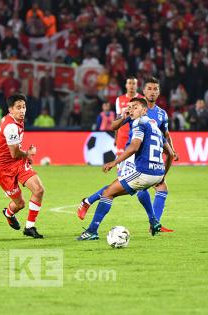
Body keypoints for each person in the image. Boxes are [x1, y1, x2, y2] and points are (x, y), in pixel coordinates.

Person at [76, 98, 173, 240]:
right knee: (133, 188)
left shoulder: (139, 123)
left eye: (135, 107)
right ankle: (153, 221)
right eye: (130, 107)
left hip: (143, 171)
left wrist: (114, 162)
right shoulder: (155, 127)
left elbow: (134, 147)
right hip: (156, 174)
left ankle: (92, 230)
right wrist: (163, 174)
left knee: (108, 193)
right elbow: (170, 154)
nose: (131, 110)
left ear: (144, 110)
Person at [105, 77, 178, 232]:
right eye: (149, 89)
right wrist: (123, 117)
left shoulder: (161, 114)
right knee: (117, 188)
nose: (152, 92)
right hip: (133, 154)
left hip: (149, 158)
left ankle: (155, 223)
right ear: (143, 91)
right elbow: (114, 125)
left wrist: (172, 149)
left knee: (161, 188)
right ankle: (89, 202)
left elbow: (165, 134)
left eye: (155, 89)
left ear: (159, 92)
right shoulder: (136, 106)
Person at [0, 93, 45, 238]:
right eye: (18, 108)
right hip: (2, 168)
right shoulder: (10, 127)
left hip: (17, 163)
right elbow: (14, 153)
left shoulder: (18, 120)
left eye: (24, 107)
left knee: (39, 190)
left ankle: (30, 227)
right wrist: (28, 154)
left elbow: (15, 153)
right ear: (10, 110)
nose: (22, 110)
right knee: (19, 204)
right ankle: (8, 213)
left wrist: (25, 157)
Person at [114, 76, 141, 160]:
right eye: (129, 83)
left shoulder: (142, 100)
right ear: (126, 85)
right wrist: (116, 137)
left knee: (136, 164)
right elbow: (117, 119)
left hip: (136, 136)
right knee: (120, 165)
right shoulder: (119, 99)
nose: (131, 85)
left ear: (137, 86)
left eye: (134, 83)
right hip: (122, 136)